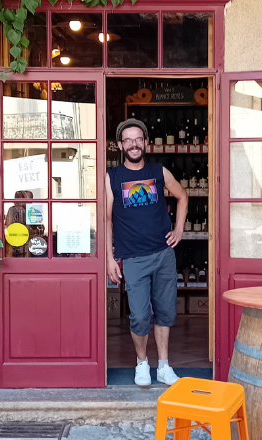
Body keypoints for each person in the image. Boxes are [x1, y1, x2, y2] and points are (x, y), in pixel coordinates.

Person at [106, 118, 188, 386]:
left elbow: (182, 196)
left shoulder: (158, 171)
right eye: (128, 140)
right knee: (140, 316)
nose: (133, 144)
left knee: (165, 312)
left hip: (164, 254)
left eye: (138, 139)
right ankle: (142, 363)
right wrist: (110, 257)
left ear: (145, 143)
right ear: (120, 145)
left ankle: (163, 366)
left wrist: (179, 230)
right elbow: (106, 219)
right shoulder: (113, 177)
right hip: (133, 258)